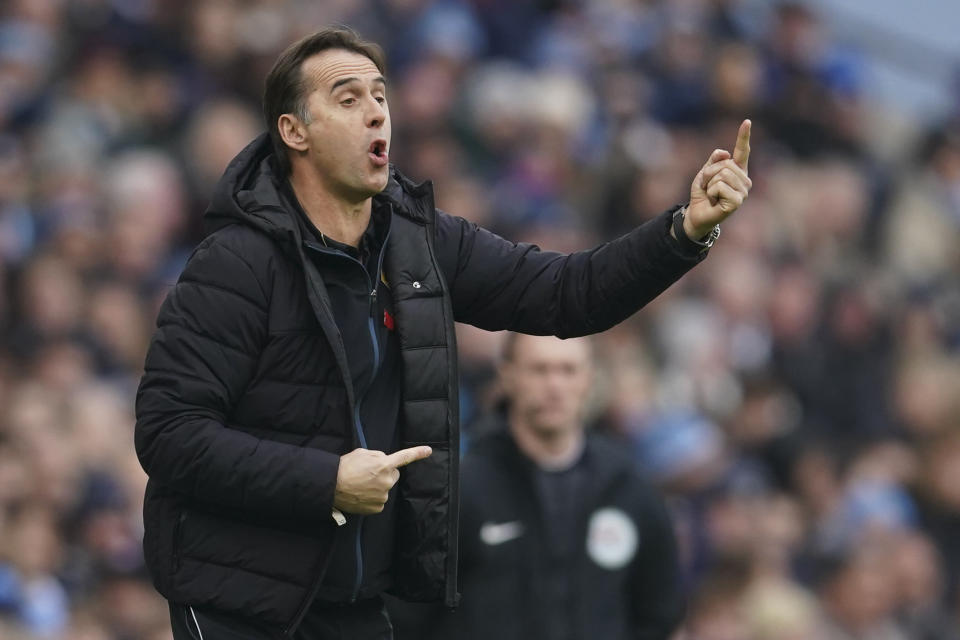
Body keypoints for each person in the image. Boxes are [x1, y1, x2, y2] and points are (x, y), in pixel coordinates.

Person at [133, 26, 752, 640]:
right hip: (240, 602)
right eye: (348, 100)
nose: (376, 113)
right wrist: (326, 481)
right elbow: (169, 434)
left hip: (355, 601)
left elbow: (567, 295)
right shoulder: (236, 263)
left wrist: (684, 231)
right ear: (294, 132)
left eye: (380, 96)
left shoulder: (418, 241)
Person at [406, 332, 685, 640]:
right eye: (540, 370)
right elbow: (413, 612)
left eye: (568, 370)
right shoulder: (462, 488)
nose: (555, 386)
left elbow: (662, 613)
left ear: (589, 378)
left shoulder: (629, 487)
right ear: (508, 376)